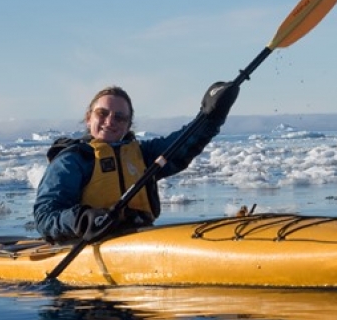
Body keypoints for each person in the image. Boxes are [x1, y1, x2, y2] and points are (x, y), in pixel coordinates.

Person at [34, 81, 239, 243]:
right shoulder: (73, 160)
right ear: (89, 118)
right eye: (102, 114)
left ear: (128, 124)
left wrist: (210, 115)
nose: (110, 121)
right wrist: (82, 219)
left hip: (139, 240)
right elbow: (45, 216)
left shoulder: (142, 154)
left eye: (120, 117)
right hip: (86, 246)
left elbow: (183, 143)